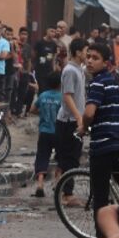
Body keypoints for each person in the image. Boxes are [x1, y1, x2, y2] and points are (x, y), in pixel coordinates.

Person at [82, 41, 119, 237]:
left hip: (103, 145)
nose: (90, 61)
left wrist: (83, 126)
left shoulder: (97, 83)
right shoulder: (113, 80)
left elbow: (90, 112)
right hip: (118, 141)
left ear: (105, 63)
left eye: (95, 58)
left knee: (100, 196)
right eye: (88, 56)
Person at [55, 37, 88, 206]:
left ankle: (60, 188)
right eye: (85, 51)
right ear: (77, 52)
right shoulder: (70, 71)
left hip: (74, 119)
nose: (87, 54)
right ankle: (67, 194)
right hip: (69, 121)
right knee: (71, 158)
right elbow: (67, 96)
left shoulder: (79, 69)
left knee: (68, 157)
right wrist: (78, 117)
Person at [29, 70, 63, 198]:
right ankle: (57, 183)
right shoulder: (62, 97)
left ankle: (40, 185)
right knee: (61, 157)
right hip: (59, 132)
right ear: (60, 84)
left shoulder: (43, 95)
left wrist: (42, 113)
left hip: (44, 132)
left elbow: (32, 110)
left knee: (42, 157)